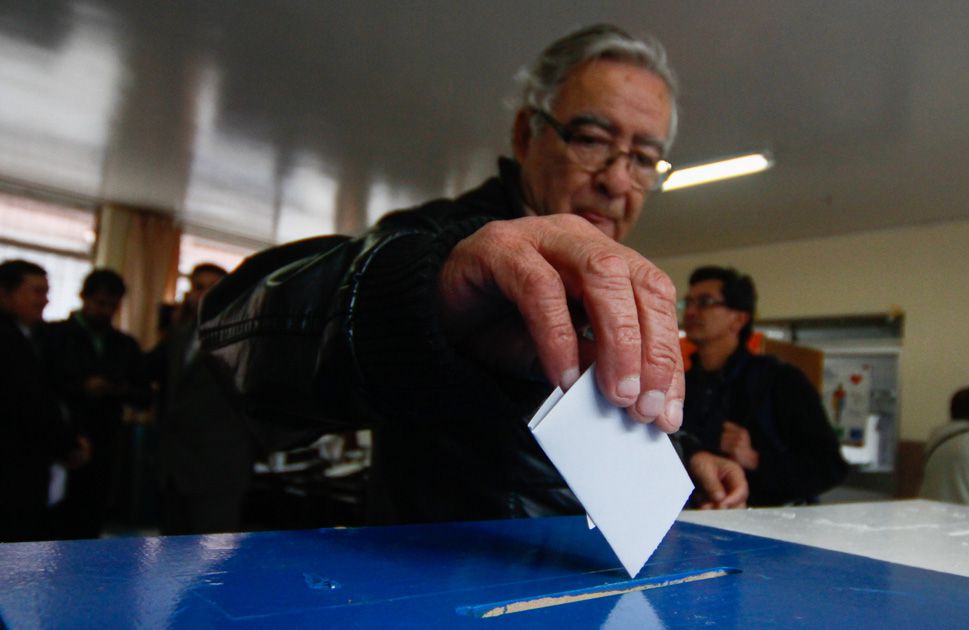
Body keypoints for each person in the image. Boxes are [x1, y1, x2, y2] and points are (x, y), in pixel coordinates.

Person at [200, 24, 747, 523]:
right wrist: (426, 292)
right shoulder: (440, 243)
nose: (617, 180)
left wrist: (688, 452)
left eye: (643, 158)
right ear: (526, 136)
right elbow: (238, 333)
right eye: (592, 140)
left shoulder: (611, 277)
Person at [677, 266, 848, 506]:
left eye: (705, 302)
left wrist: (756, 459)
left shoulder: (781, 380)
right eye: (687, 303)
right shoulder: (682, 383)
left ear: (739, 319)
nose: (691, 312)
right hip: (700, 525)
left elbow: (829, 467)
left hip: (772, 530)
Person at [149, 263, 255, 534]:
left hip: (218, 470)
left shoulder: (243, 339)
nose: (204, 295)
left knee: (211, 562)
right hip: (175, 468)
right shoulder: (180, 334)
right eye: (198, 287)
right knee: (171, 558)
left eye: (213, 288)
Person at [44, 268, 149, 539]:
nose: (104, 311)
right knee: (53, 519)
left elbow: (143, 394)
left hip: (105, 442)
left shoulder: (124, 345)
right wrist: (81, 388)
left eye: (112, 306)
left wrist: (117, 389)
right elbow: (41, 388)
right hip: (59, 442)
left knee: (90, 518)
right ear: (84, 298)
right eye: (99, 303)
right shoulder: (54, 336)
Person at [0, 259, 88, 542]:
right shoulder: (7, 339)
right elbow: (27, 403)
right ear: (5, 293)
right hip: (12, 468)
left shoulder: (35, 337)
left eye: (46, 292)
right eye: (35, 291)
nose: (44, 300)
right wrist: (67, 444)